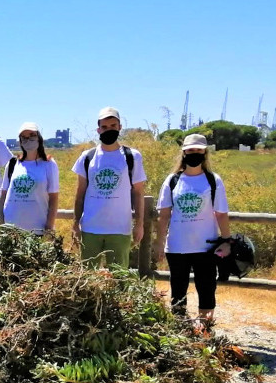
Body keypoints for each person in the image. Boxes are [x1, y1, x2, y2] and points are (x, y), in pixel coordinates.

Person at [155, 133, 231, 324]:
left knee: (206, 289)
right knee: (178, 291)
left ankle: (205, 331)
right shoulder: (172, 181)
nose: (194, 153)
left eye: (198, 150)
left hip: (206, 246)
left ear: (205, 153)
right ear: (184, 152)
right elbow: (164, 216)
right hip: (177, 246)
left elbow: (221, 214)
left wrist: (227, 241)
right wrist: (159, 243)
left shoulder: (214, 180)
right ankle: (180, 332)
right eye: (190, 150)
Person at [71, 107, 147, 267]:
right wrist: (75, 224)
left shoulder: (132, 156)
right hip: (90, 228)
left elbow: (139, 193)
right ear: (98, 129)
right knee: (87, 280)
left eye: (113, 126)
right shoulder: (87, 157)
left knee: (120, 280)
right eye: (104, 127)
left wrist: (139, 224)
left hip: (120, 229)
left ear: (120, 127)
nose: (109, 130)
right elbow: (80, 195)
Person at [0, 122, 59, 236]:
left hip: (38, 229)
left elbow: (54, 198)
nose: (28, 139)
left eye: (32, 135)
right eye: (24, 137)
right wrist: (1, 220)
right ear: (20, 141)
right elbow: (4, 194)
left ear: (39, 138)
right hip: (11, 230)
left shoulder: (49, 164)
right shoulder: (13, 163)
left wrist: (49, 227)